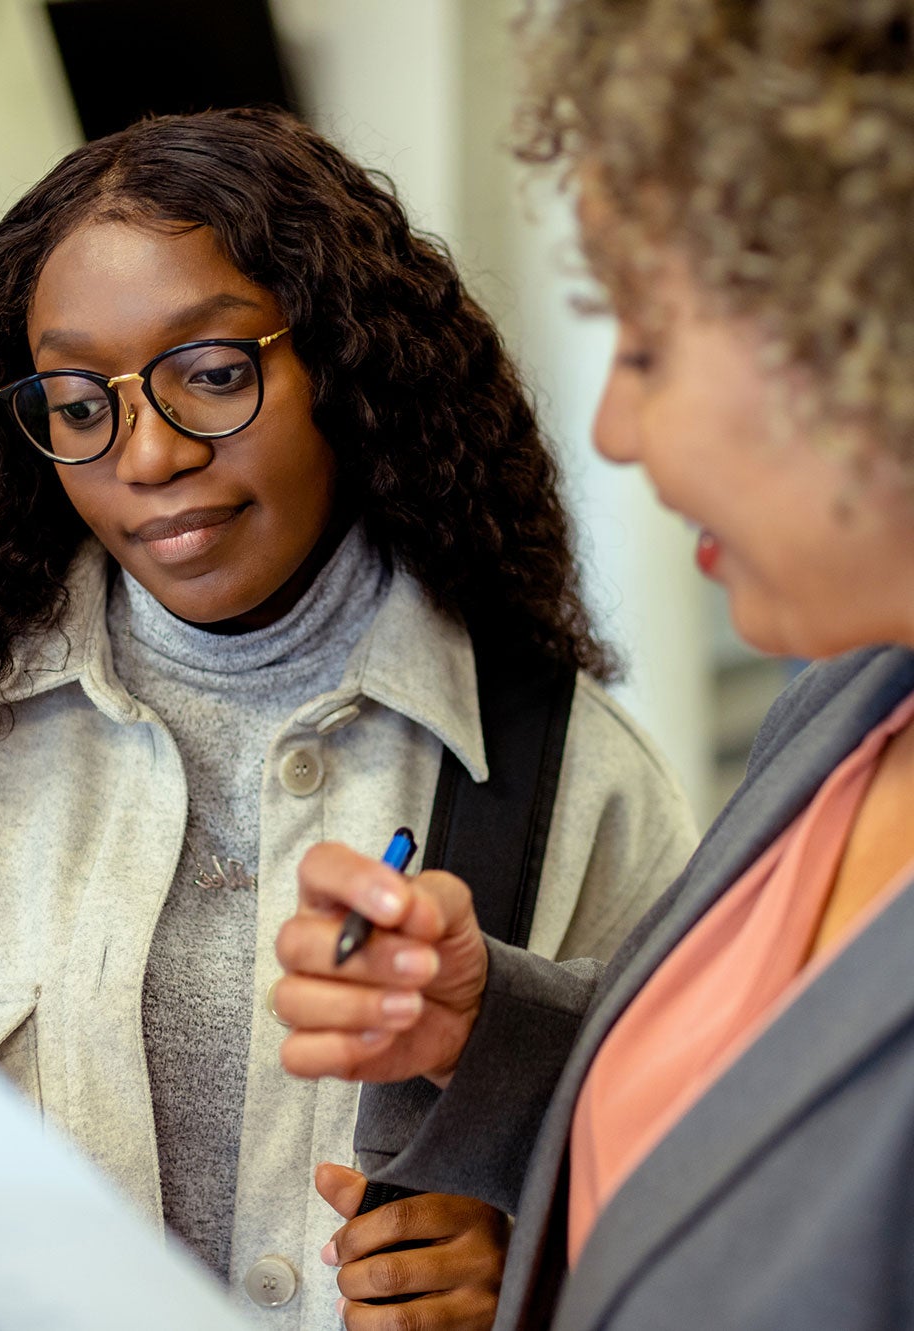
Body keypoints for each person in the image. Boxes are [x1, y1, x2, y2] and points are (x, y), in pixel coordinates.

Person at [0, 108, 697, 1330]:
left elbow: (703, 1206)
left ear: (348, 366)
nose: (146, 454)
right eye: (81, 403)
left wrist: (530, 1274)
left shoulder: (568, 777)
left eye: (214, 375)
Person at [274, 3, 914, 1328]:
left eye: (650, 342)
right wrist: (479, 1029)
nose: (614, 429)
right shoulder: (849, 700)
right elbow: (747, 1127)